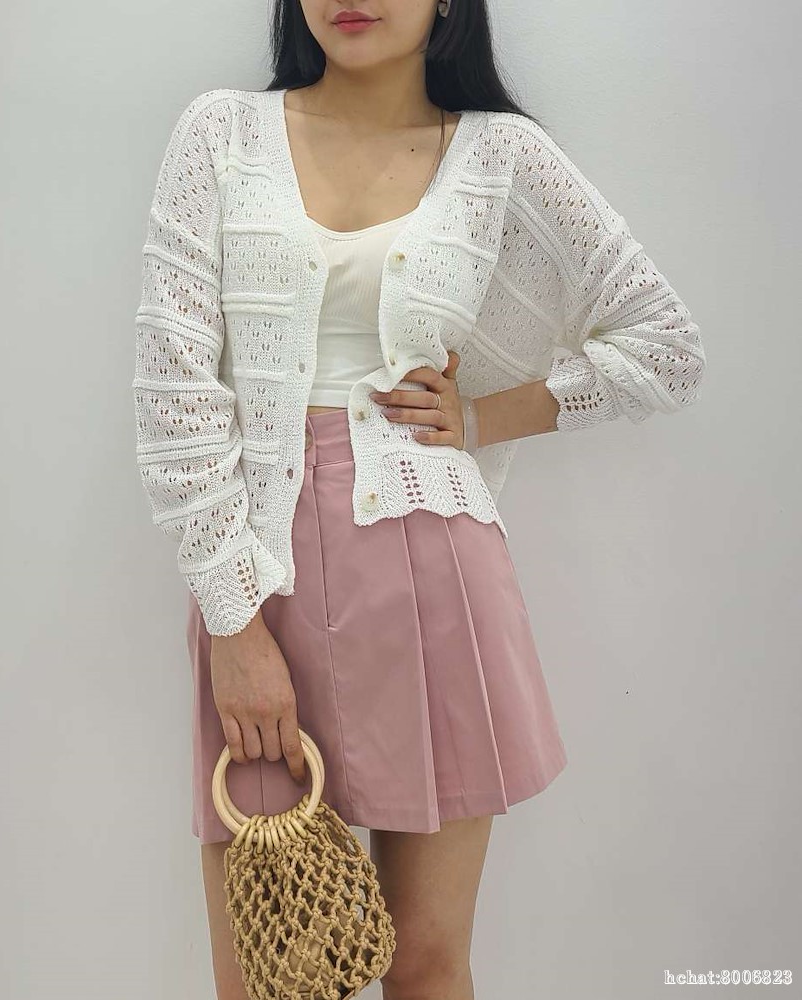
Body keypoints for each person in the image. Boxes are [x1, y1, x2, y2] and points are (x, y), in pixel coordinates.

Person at [132, 2, 705, 996]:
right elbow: (173, 391)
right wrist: (234, 625)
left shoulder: (499, 155)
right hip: (258, 576)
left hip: (434, 572)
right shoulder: (220, 134)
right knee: (270, 973)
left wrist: (481, 416)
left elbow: (666, 346)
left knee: (426, 966)